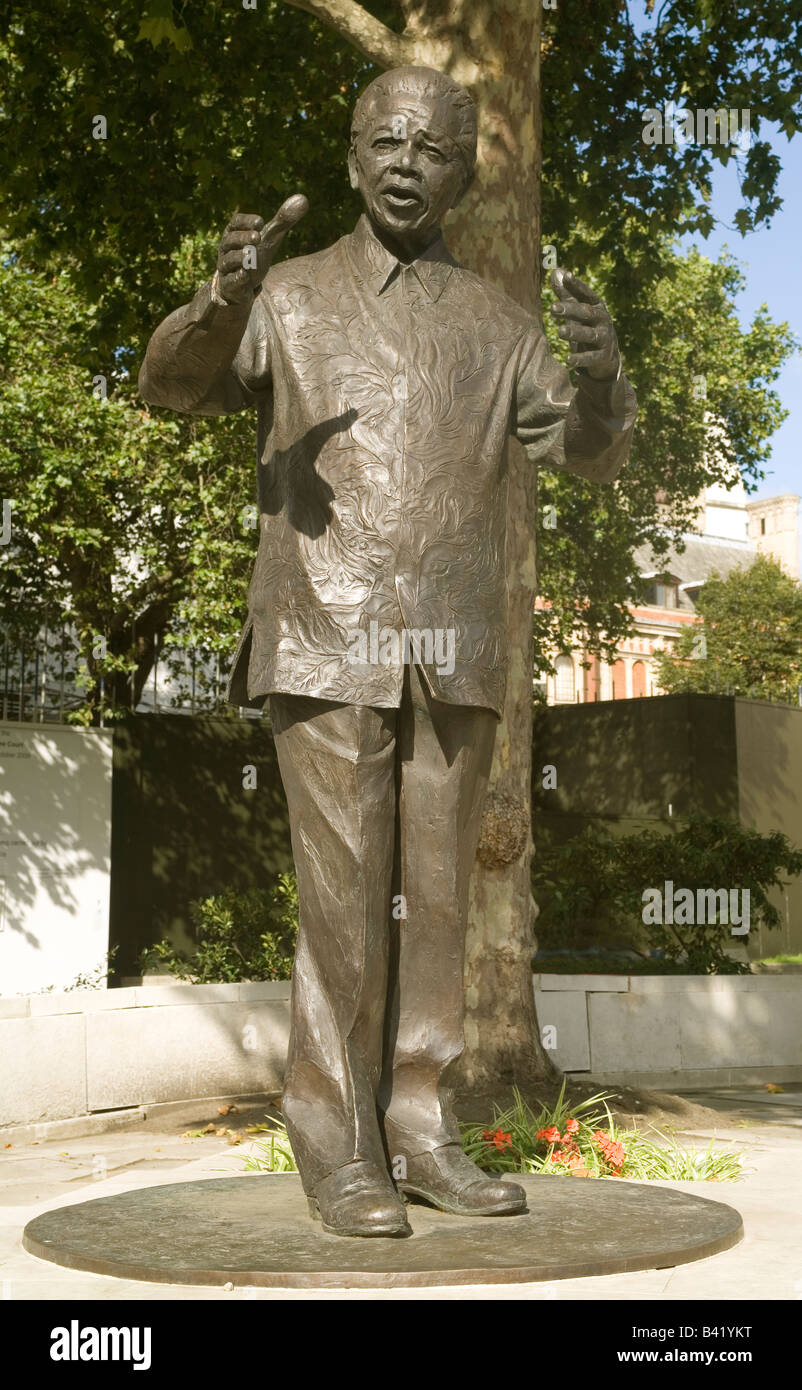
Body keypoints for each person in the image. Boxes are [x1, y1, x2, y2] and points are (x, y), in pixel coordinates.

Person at [139, 65, 637, 1238]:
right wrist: (218, 299)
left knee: (442, 910)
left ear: (464, 171)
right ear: (354, 155)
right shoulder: (290, 294)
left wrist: (606, 380)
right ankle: (335, 1139)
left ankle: (419, 1123)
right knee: (344, 902)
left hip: (453, 646)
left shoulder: (502, 328)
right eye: (387, 142)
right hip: (323, 637)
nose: (408, 163)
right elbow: (170, 388)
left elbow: (588, 454)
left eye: (433, 148)